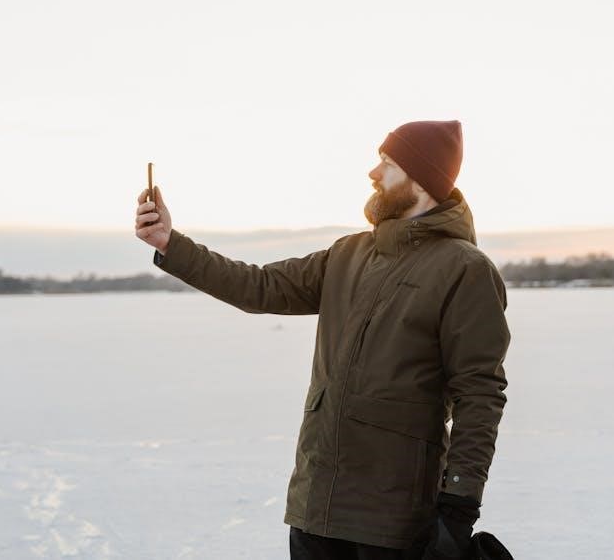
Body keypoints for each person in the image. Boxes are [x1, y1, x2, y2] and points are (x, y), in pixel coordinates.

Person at [134, 120, 511, 559]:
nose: (373, 172)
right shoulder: (347, 254)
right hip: (316, 508)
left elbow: (479, 395)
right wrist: (170, 243)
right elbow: (259, 286)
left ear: (422, 178)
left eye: (388, 163)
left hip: (392, 520)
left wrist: (459, 505)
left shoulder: (465, 270)